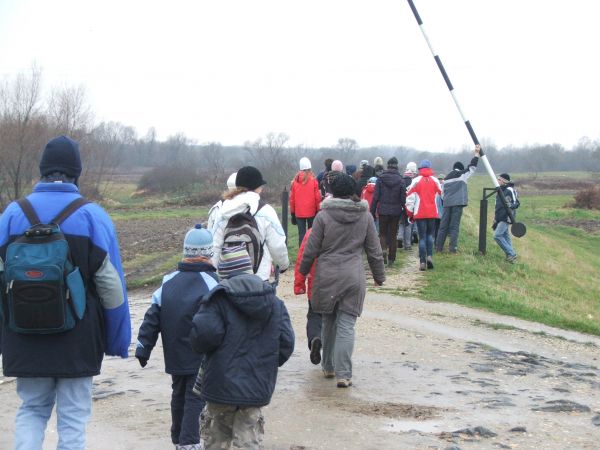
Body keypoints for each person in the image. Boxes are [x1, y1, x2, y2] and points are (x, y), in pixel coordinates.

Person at [0, 135, 130, 449]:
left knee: (31, 410)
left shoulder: (11, 215)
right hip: (78, 340)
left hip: (23, 338)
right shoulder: (92, 216)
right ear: (76, 172)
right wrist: (116, 340)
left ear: (42, 170)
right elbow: (111, 289)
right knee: (72, 421)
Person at [190, 244, 295, 450]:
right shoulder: (274, 302)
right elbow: (286, 343)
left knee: (217, 438)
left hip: (220, 385)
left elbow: (202, 338)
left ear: (224, 274)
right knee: (249, 440)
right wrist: (267, 363)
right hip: (256, 386)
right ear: (249, 269)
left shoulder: (216, 301)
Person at [135, 224, 217, 450]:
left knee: (178, 393)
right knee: (195, 398)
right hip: (199, 354)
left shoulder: (167, 282)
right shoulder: (212, 283)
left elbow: (152, 317)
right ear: (209, 254)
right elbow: (219, 320)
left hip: (174, 354)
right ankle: (189, 442)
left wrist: (143, 347)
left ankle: (177, 436)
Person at [299, 174, 385, 388]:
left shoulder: (323, 216)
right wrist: (379, 276)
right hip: (352, 275)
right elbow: (374, 251)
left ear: (333, 192)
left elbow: (311, 249)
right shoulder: (365, 217)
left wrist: (302, 271)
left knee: (328, 321)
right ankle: (344, 374)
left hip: (326, 275)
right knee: (347, 325)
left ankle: (328, 366)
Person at [211, 166, 289, 281]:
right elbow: (277, 245)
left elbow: (215, 245)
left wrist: (213, 272)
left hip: (228, 279)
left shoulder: (223, 211)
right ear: (257, 187)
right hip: (258, 278)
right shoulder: (265, 211)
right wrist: (283, 265)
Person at [435, 145, 480, 253]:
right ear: (460, 168)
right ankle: (452, 249)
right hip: (458, 203)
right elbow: (472, 167)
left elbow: (442, 194)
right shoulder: (462, 174)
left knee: (443, 226)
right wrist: (476, 154)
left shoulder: (445, 178)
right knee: (454, 226)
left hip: (446, 204)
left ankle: (438, 248)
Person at [406, 159, 443, 271]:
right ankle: (429, 256)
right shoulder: (435, 181)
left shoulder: (416, 181)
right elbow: (441, 195)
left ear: (420, 169)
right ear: (430, 168)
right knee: (430, 236)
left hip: (419, 212)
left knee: (422, 238)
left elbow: (410, 198)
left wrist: (409, 213)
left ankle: (422, 262)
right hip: (432, 212)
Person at [294, 227, 322, 365]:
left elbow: (303, 258)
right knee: (336, 319)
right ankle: (333, 356)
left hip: (316, 283)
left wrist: (299, 284)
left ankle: (315, 338)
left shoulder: (313, 231)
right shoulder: (348, 227)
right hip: (340, 284)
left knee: (314, 315)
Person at [370, 157, 406, 266]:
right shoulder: (401, 180)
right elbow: (403, 199)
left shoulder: (380, 178)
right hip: (396, 211)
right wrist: (405, 212)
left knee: (383, 234)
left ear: (388, 165)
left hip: (383, 210)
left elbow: (376, 197)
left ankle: (383, 251)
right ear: (397, 165)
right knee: (393, 235)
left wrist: (372, 211)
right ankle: (391, 259)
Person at [290, 157, 322, 246]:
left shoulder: (294, 182)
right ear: (310, 167)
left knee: (301, 235)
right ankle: (311, 254)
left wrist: (292, 213)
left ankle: (301, 254)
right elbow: (317, 198)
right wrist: (318, 210)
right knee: (312, 234)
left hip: (299, 213)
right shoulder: (314, 181)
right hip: (312, 211)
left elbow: (292, 199)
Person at [493, 173, 519, 263]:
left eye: (499, 179)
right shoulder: (499, 190)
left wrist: (510, 207)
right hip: (500, 217)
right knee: (506, 236)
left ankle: (511, 254)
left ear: (503, 181)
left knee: (497, 235)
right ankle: (511, 258)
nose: (497, 181)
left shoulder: (509, 190)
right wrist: (495, 218)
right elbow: (497, 205)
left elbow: (516, 203)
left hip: (506, 217)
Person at [397, 162, 418, 250]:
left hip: (401, 207)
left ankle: (400, 237)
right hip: (410, 207)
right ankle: (408, 245)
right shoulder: (414, 183)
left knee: (401, 223)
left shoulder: (400, 182)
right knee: (408, 225)